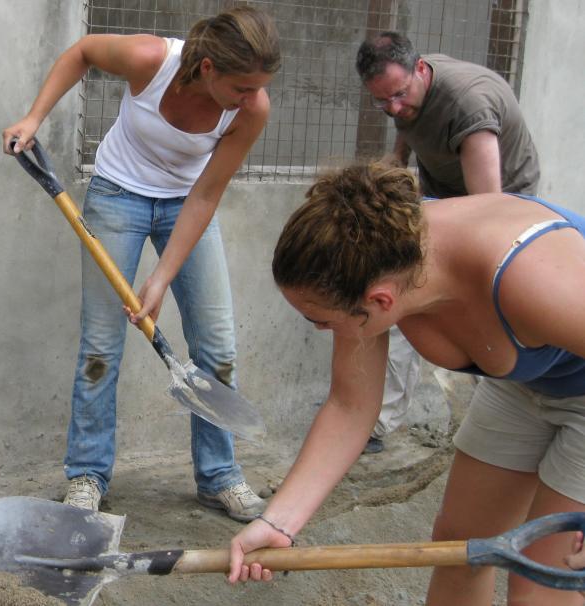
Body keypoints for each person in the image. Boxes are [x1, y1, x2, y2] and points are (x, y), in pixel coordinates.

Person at [226, 162, 585, 604]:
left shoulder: (530, 278)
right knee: (460, 548)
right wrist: (278, 522)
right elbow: (350, 407)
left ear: (381, 300)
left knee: (542, 580)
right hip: (524, 384)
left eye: (322, 321)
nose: (321, 329)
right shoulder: (381, 255)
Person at [1, 6, 280, 520]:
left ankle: (219, 474)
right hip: (117, 196)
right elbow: (82, 53)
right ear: (209, 68)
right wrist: (34, 117)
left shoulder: (250, 110)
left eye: (257, 88)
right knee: (101, 344)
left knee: (216, 346)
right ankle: (87, 472)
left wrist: (161, 276)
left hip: (186, 205)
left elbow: (204, 197)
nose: (252, 98)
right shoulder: (151, 60)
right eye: (243, 87)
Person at [354, 31, 541, 454]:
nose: (394, 109)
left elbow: (486, 213)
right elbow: (406, 133)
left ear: (421, 69)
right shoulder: (403, 89)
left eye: (398, 96)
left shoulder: (467, 104)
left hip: (503, 207)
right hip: (443, 198)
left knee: (487, 308)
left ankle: (505, 416)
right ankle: (380, 422)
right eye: (382, 102)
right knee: (394, 292)